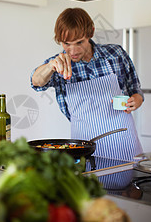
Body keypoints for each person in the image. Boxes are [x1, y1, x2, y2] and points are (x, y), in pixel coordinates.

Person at [31, 8, 143, 161]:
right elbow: (36, 81)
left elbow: (136, 91)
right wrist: (50, 66)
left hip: (123, 144)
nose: (73, 50)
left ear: (91, 32)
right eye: (66, 44)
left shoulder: (115, 54)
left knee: (129, 184)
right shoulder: (58, 65)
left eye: (79, 42)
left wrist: (135, 100)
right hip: (83, 149)